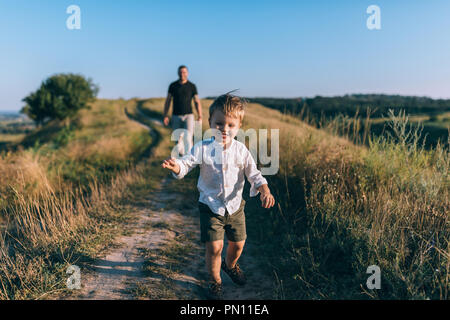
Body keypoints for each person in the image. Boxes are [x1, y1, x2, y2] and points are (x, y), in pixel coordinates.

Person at [161, 93, 275, 299]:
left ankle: (230, 266)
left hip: (235, 207)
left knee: (238, 244)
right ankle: (216, 282)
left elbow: (254, 174)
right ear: (210, 122)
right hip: (210, 206)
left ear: (239, 125)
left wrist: (264, 189)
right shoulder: (202, 148)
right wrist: (176, 166)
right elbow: (186, 163)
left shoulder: (241, 151)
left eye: (230, 125)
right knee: (215, 247)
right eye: (219, 123)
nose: (224, 129)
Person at [163, 65, 202, 156]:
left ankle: (189, 159)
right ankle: (180, 159)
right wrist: (165, 115)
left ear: (187, 73)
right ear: (178, 73)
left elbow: (196, 101)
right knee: (177, 140)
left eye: (184, 72)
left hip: (189, 116)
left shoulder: (192, 86)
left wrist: (200, 115)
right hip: (176, 116)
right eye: (180, 72)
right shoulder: (173, 86)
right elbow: (168, 101)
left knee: (188, 138)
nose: (182, 74)